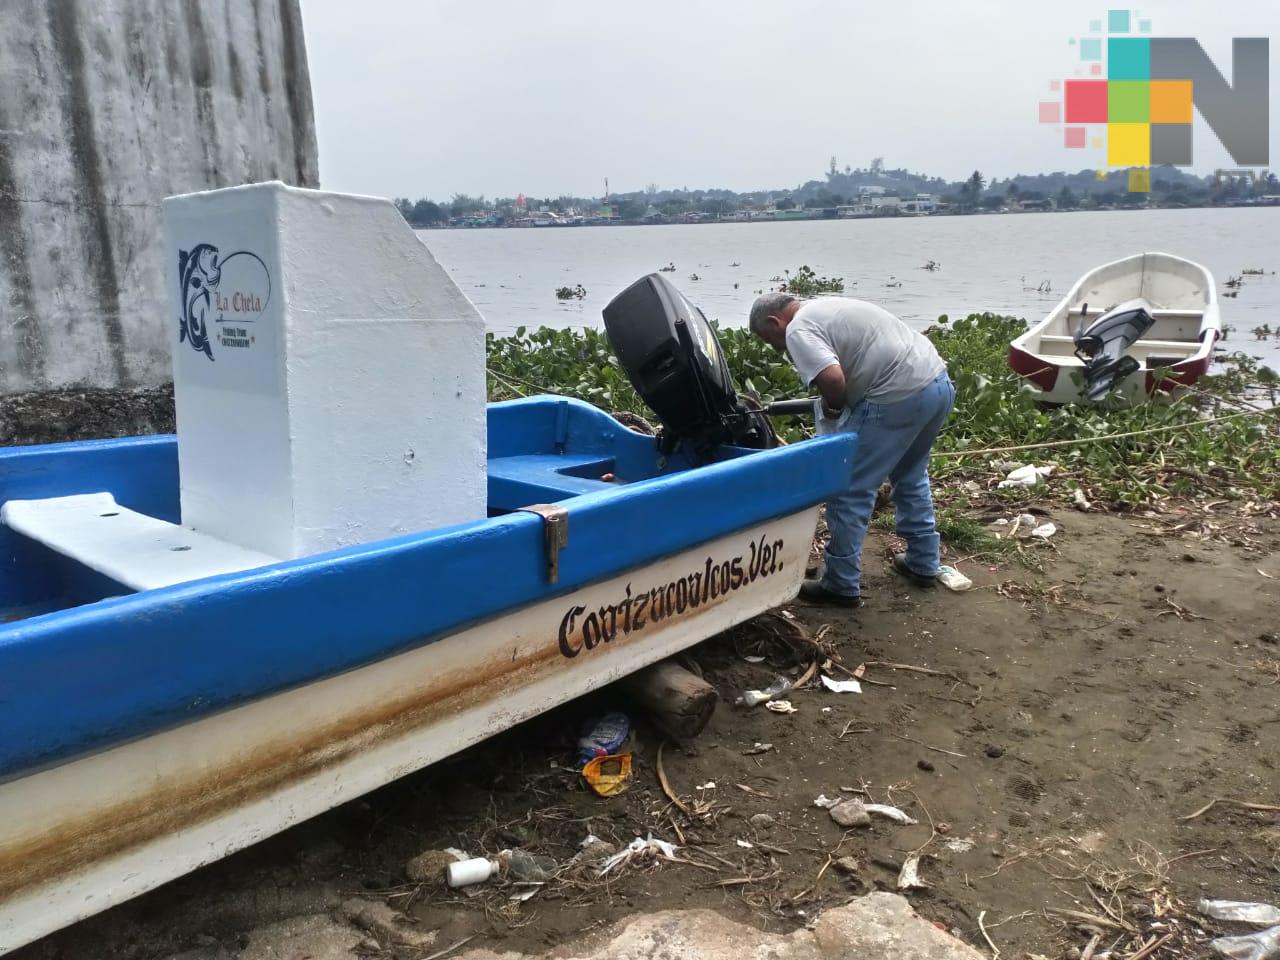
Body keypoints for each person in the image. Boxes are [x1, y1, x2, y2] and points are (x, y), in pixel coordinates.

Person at [748, 292, 954, 607]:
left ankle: (840, 583)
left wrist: (833, 407)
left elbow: (832, 380)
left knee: (849, 488)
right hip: (937, 384)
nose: (777, 348)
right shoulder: (826, 305)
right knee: (911, 474)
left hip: (896, 395)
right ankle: (923, 561)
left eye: (770, 339)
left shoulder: (797, 328)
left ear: (775, 322)